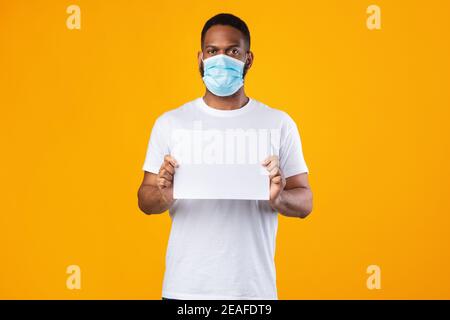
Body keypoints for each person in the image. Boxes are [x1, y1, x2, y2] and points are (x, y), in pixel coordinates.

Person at [138, 13, 313, 300]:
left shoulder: (278, 123)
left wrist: (279, 197)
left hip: (252, 291)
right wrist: (163, 193)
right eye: (212, 51)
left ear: (248, 59)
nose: (221, 59)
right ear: (200, 58)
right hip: (185, 289)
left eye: (232, 51)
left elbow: (305, 202)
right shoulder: (171, 123)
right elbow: (145, 201)